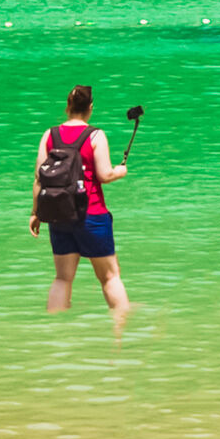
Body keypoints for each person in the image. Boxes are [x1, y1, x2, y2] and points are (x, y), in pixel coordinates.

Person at [34, 82, 132, 323]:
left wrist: (35, 213)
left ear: (67, 107)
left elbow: (39, 177)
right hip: (92, 215)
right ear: (90, 107)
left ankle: (53, 332)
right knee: (110, 277)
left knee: (62, 278)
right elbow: (105, 175)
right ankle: (124, 331)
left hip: (58, 215)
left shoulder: (50, 135)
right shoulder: (95, 135)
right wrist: (121, 171)